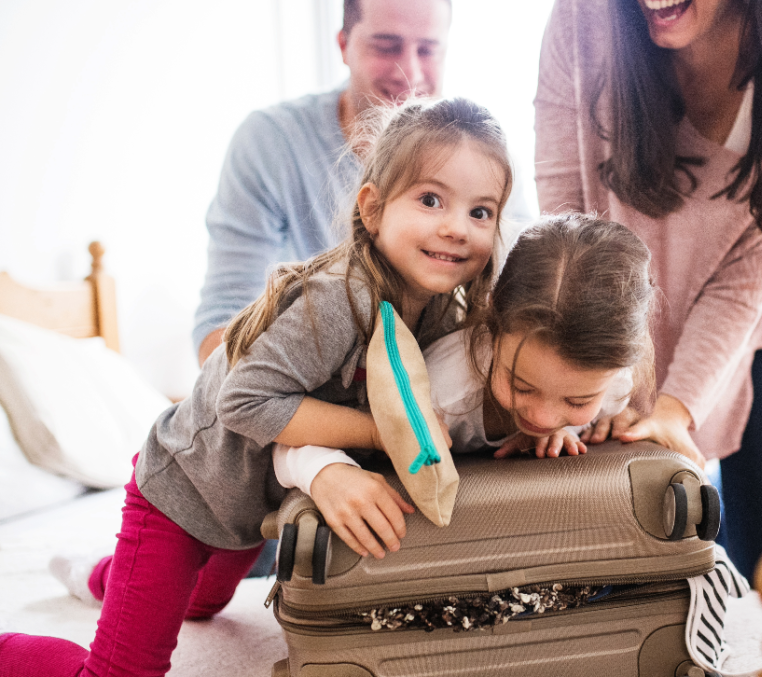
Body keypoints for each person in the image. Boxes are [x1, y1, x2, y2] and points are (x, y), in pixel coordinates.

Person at [0, 97, 514, 677]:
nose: (457, 227)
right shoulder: (339, 298)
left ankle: (103, 574)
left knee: (204, 605)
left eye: (481, 211)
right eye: (430, 199)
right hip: (182, 492)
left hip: (250, 507)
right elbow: (243, 401)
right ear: (372, 209)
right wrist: (377, 430)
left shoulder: (444, 310)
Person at [533, 0, 762, 582]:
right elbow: (566, 218)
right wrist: (611, 377)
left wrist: (675, 409)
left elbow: (746, 277)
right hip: (618, 322)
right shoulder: (582, 17)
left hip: (752, 328)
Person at [274, 212, 660, 558]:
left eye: (578, 399)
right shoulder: (441, 390)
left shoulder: (613, 382)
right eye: (522, 387)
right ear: (492, 325)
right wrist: (323, 472)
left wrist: (584, 425)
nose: (543, 416)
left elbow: (604, 406)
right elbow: (288, 438)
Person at [193, 0, 454, 367]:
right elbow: (221, 329)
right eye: (386, 47)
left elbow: (519, 289)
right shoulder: (270, 143)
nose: (409, 71)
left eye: (427, 50)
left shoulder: (477, 152)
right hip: (303, 394)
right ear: (344, 46)